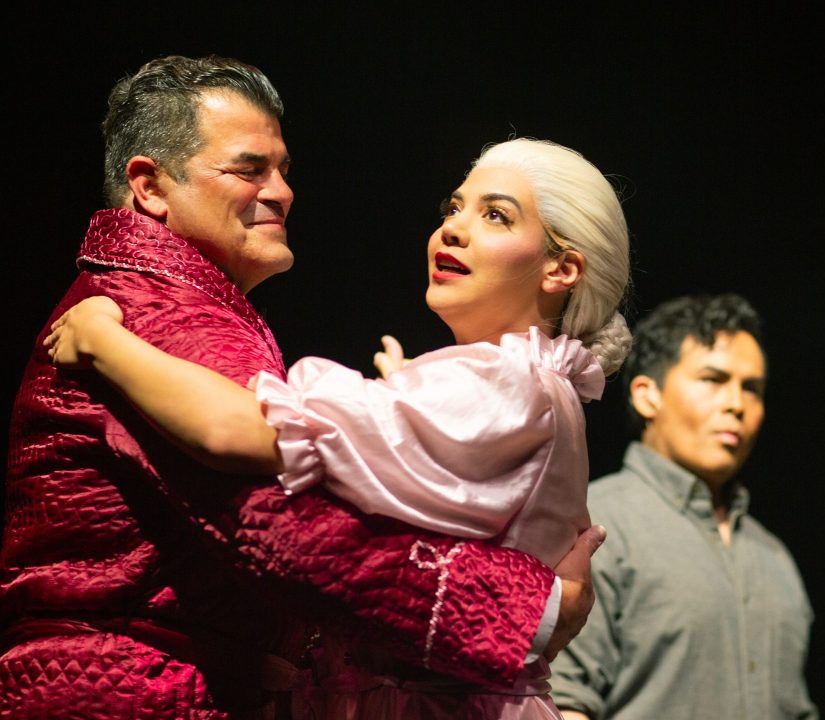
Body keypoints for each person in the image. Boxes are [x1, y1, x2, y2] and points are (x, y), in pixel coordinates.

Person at [1, 54, 600, 719]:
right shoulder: (157, 314)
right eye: (250, 169)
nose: (283, 192)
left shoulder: (155, 305)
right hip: (134, 692)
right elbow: (285, 527)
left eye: (283, 171)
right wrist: (533, 608)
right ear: (149, 186)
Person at [549, 293, 819, 720]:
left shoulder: (774, 558)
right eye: (713, 379)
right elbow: (563, 702)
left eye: (752, 389)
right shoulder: (596, 525)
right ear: (647, 396)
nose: (736, 404)